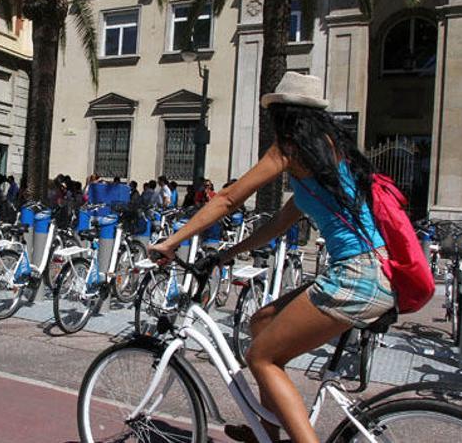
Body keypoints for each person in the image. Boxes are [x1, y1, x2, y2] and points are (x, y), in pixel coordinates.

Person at [150, 72, 390, 443]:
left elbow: (229, 198)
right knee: (261, 323)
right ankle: (267, 431)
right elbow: (279, 223)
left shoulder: (290, 148)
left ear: (283, 114)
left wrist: (172, 241)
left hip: (356, 275)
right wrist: (228, 252)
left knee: (261, 358)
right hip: (371, 271)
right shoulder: (323, 160)